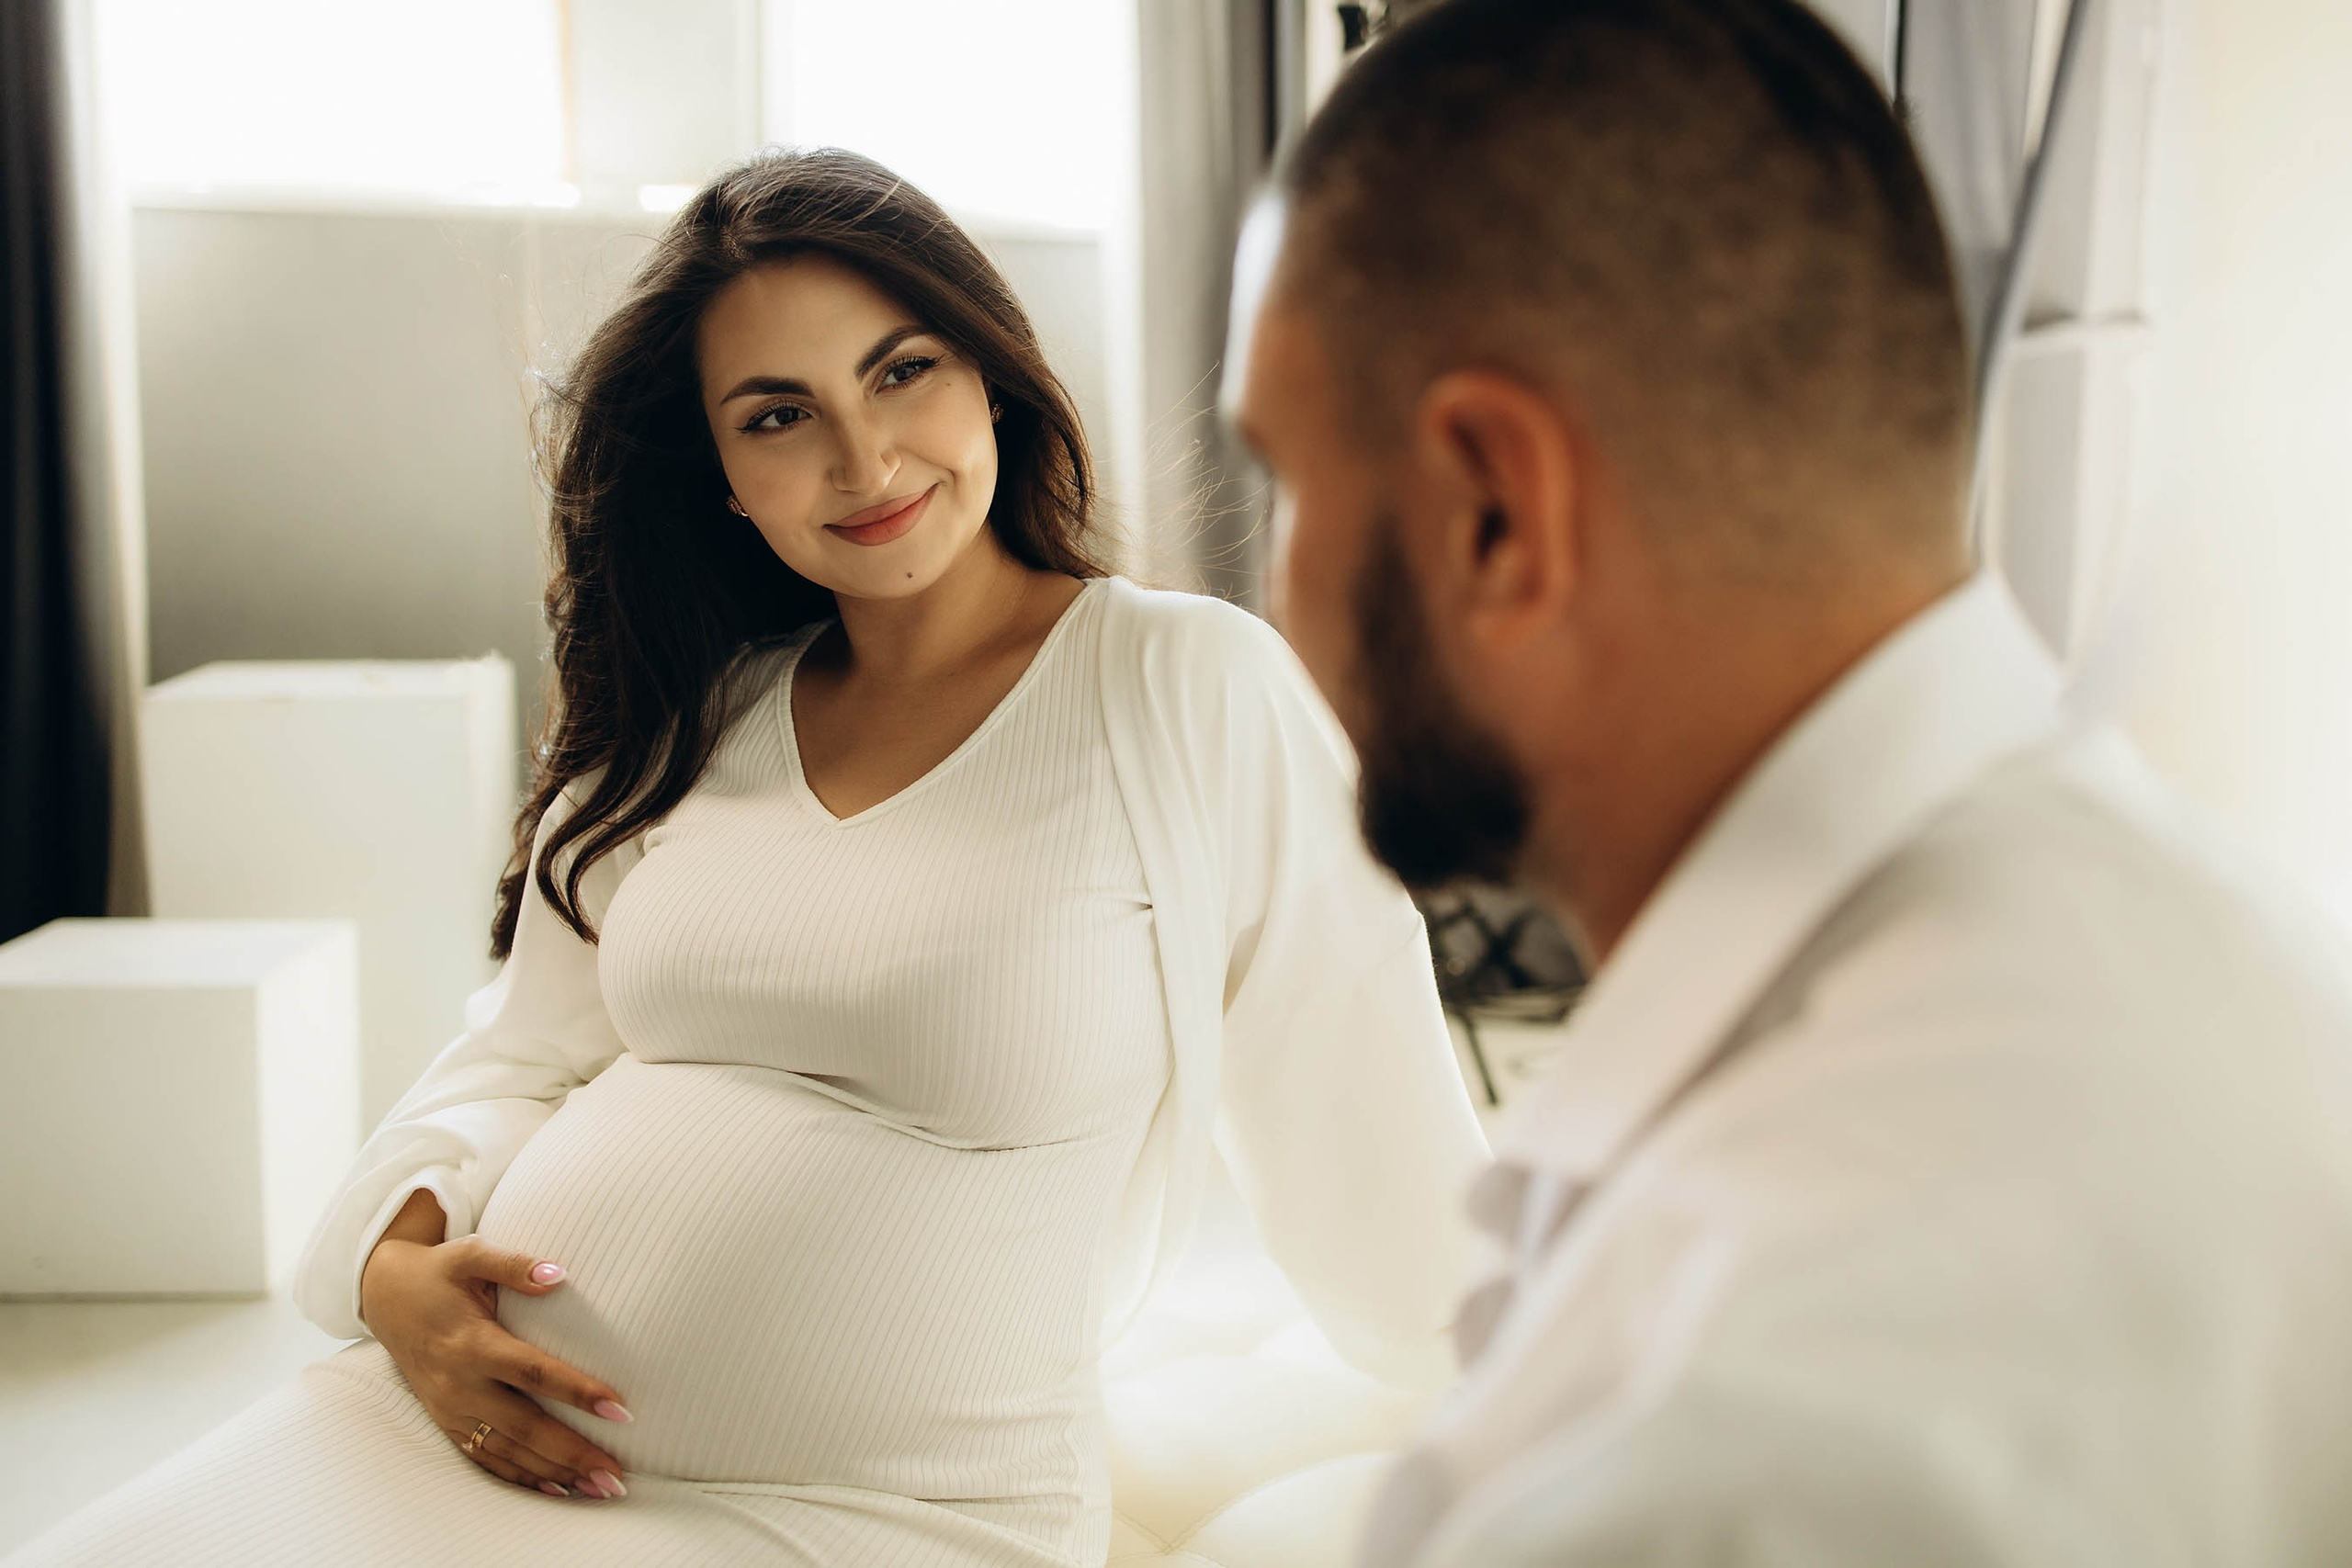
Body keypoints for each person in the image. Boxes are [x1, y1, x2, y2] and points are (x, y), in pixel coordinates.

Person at [7, 147, 1489, 1568]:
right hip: (446, 1436)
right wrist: (394, 1277)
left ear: (992, 375)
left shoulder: (1185, 685)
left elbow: (1367, 1091)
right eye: (777, 415)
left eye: (902, 369)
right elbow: (518, 1056)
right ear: (719, 472)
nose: (864, 456)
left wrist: (1567, 1406)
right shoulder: (693, 716)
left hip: (875, 1516)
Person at [1223, 1, 2352, 1563]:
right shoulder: (2203, 939)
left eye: (1281, 480)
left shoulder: (1745, 1429)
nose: (1269, 592)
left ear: (1495, 512)